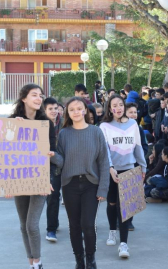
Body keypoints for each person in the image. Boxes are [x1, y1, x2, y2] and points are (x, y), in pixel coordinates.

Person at [56, 97, 110, 269]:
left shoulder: (96, 132)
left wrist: (103, 188)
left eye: (79, 108)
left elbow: (103, 162)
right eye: (72, 109)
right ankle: (79, 260)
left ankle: (91, 259)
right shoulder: (64, 134)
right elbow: (60, 161)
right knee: (74, 225)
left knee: (88, 224)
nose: (76, 112)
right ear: (67, 113)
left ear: (85, 111)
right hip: (70, 184)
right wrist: (51, 156)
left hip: (91, 184)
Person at [8, 84, 59, 269]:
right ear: (24, 98)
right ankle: (30, 262)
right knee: (23, 225)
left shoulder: (46, 124)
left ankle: (38, 263)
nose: (39, 98)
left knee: (31, 224)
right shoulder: (11, 121)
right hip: (19, 179)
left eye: (40, 95)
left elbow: (51, 153)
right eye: (34, 95)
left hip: (39, 179)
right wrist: (15, 131)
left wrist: (49, 178)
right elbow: (4, 154)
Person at [99, 94, 147, 258]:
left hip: (130, 169)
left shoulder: (133, 124)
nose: (118, 108)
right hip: (111, 171)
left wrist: (143, 166)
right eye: (114, 105)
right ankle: (112, 231)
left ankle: (124, 244)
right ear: (109, 108)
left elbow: (138, 146)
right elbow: (104, 150)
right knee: (112, 202)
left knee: (125, 206)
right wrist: (110, 167)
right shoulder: (104, 126)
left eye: (121, 104)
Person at [43, 97, 64, 242]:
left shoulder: (65, 123)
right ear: (44, 110)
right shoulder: (39, 125)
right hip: (48, 167)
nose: (54, 111)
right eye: (50, 109)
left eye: (56, 108)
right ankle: (51, 229)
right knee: (52, 198)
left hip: (66, 163)